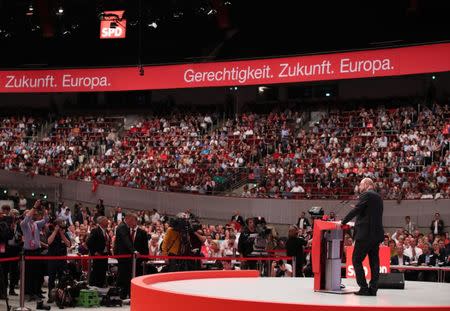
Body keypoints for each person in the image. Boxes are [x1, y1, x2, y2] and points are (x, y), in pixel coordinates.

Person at [341, 178, 384, 296]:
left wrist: (343, 221)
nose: (359, 188)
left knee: (356, 260)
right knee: (374, 262)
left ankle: (363, 287)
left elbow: (356, 210)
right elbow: (368, 213)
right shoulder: (378, 197)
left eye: (360, 185)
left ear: (366, 184)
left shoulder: (366, 194)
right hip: (376, 235)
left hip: (365, 235)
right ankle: (373, 288)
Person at [20, 200, 49, 301]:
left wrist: (44, 210)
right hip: (28, 252)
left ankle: (37, 291)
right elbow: (27, 217)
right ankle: (29, 292)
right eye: (30, 213)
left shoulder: (35, 224)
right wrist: (34, 207)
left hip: (37, 251)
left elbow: (46, 220)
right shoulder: (23, 224)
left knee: (38, 273)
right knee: (29, 274)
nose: (33, 214)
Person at [46, 218, 71, 304]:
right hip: (52, 259)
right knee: (51, 278)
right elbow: (49, 242)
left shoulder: (65, 234)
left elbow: (68, 244)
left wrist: (61, 233)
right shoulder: (50, 232)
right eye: (60, 225)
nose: (62, 227)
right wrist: (55, 231)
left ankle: (61, 296)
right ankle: (50, 296)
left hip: (62, 259)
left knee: (62, 278)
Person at [114, 213, 137, 299]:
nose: (133, 223)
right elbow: (126, 240)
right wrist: (133, 250)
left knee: (125, 275)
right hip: (123, 256)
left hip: (125, 256)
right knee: (124, 275)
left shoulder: (124, 226)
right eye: (132, 221)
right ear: (127, 219)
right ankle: (122, 295)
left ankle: (124, 294)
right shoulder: (123, 227)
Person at [87, 216, 110, 288]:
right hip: (98, 255)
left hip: (105, 254)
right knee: (97, 271)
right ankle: (94, 286)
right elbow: (89, 242)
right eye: (106, 221)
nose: (108, 222)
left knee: (103, 271)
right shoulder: (95, 230)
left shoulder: (106, 231)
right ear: (101, 222)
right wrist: (94, 252)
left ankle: (101, 286)